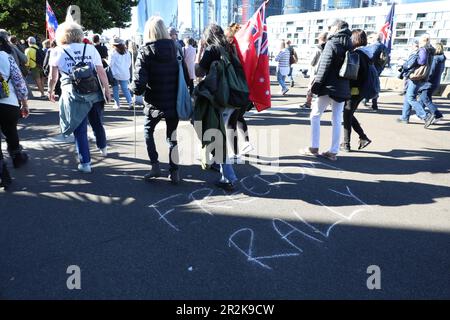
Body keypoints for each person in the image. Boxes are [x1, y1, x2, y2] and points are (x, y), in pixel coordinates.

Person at [48, 21, 111, 173]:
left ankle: (85, 163)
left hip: (72, 93)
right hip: (93, 90)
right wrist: (107, 89)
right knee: (97, 121)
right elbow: (101, 72)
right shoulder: (90, 48)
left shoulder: (57, 50)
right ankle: (103, 147)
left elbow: (53, 76)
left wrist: (50, 90)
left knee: (79, 128)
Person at [131, 16, 186, 184]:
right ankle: (174, 171)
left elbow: (139, 85)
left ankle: (155, 166)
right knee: (172, 137)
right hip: (173, 101)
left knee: (148, 131)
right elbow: (185, 75)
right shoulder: (176, 48)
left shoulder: (145, 51)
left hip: (154, 102)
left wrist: (132, 88)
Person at [195, 24, 242, 191]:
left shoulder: (211, 50)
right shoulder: (230, 47)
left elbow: (198, 72)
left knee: (216, 136)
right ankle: (216, 163)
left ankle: (229, 177)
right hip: (233, 96)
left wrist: (200, 51)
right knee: (218, 133)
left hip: (218, 99)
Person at [302, 19, 352, 161]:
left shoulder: (332, 43)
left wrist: (315, 87)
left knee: (315, 115)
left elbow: (324, 66)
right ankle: (333, 151)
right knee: (337, 119)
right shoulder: (349, 44)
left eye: (330, 27)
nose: (329, 30)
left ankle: (314, 147)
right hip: (343, 87)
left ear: (336, 28)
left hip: (328, 87)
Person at [0, 37, 30, 189]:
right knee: (11, 131)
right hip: (8, 102)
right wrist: (24, 103)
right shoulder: (7, 58)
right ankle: (17, 157)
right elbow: (19, 81)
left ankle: (3, 175)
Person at [341, 29, 372, 153]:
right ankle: (363, 137)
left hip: (354, 90)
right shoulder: (365, 54)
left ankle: (346, 143)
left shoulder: (356, 54)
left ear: (354, 39)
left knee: (347, 114)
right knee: (349, 114)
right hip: (362, 90)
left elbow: (353, 74)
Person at [398, 34, 435, 128]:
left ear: (422, 41)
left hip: (416, 76)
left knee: (410, 97)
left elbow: (421, 61)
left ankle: (426, 116)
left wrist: (414, 60)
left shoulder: (423, 49)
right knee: (408, 96)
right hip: (423, 76)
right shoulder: (430, 50)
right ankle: (404, 117)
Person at [418, 42, 446, 124]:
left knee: (424, 98)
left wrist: (424, 78)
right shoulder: (442, 59)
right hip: (436, 82)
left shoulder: (435, 58)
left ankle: (437, 114)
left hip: (429, 83)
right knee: (426, 98)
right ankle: (423, 115)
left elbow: (431, 72)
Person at [362, 33, 388, 111]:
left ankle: (374, 104)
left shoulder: (375, 46)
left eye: (370, 37)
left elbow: (371, 56)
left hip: (373, 68)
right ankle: (368, 100)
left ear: (374, 38)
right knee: (373, 84)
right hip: (379, 68)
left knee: (372, 84)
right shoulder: (383, 46)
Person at [301, 32, 328, 109]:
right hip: (325, 71)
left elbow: (312, 62)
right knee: (322, 89)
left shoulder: (318, 48)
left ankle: (308, 103)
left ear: (320, 39)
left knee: (311, 88)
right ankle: (322, 106)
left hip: (316, 71)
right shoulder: (329, 47)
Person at [109, 38, 133, 110]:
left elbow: (110, 64)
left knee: (115, 89)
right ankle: (130, 102)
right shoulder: (127, 52)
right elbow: (129, 63)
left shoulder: (113, 52)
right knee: (125, 89)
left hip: (115, 73)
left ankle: (117, 104)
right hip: (125, 73)